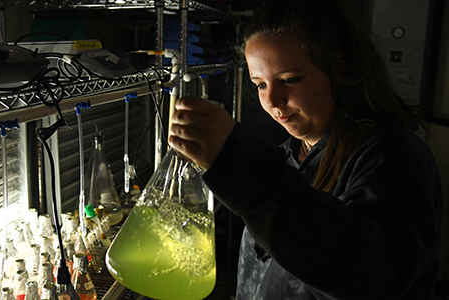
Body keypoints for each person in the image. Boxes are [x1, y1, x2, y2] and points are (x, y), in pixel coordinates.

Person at [168, 0, 442, 299]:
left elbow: (370, 276)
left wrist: (238, 164)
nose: (272, 100)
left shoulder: (391, 156)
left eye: (289, 80)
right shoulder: (289, 156)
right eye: (260, 84)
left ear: (339, 68)